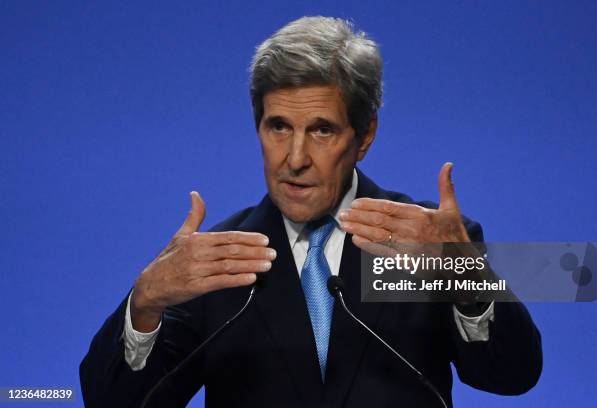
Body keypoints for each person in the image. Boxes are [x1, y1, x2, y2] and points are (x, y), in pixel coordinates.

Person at [80, 16, 542, 407]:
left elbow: (512, 374)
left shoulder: (428, 245)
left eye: (322, 130)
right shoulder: (215, 264)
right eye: (278, 127)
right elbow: (114, 400)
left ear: (364, 137)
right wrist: (143, 305)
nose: (295, 158)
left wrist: (466, 277)